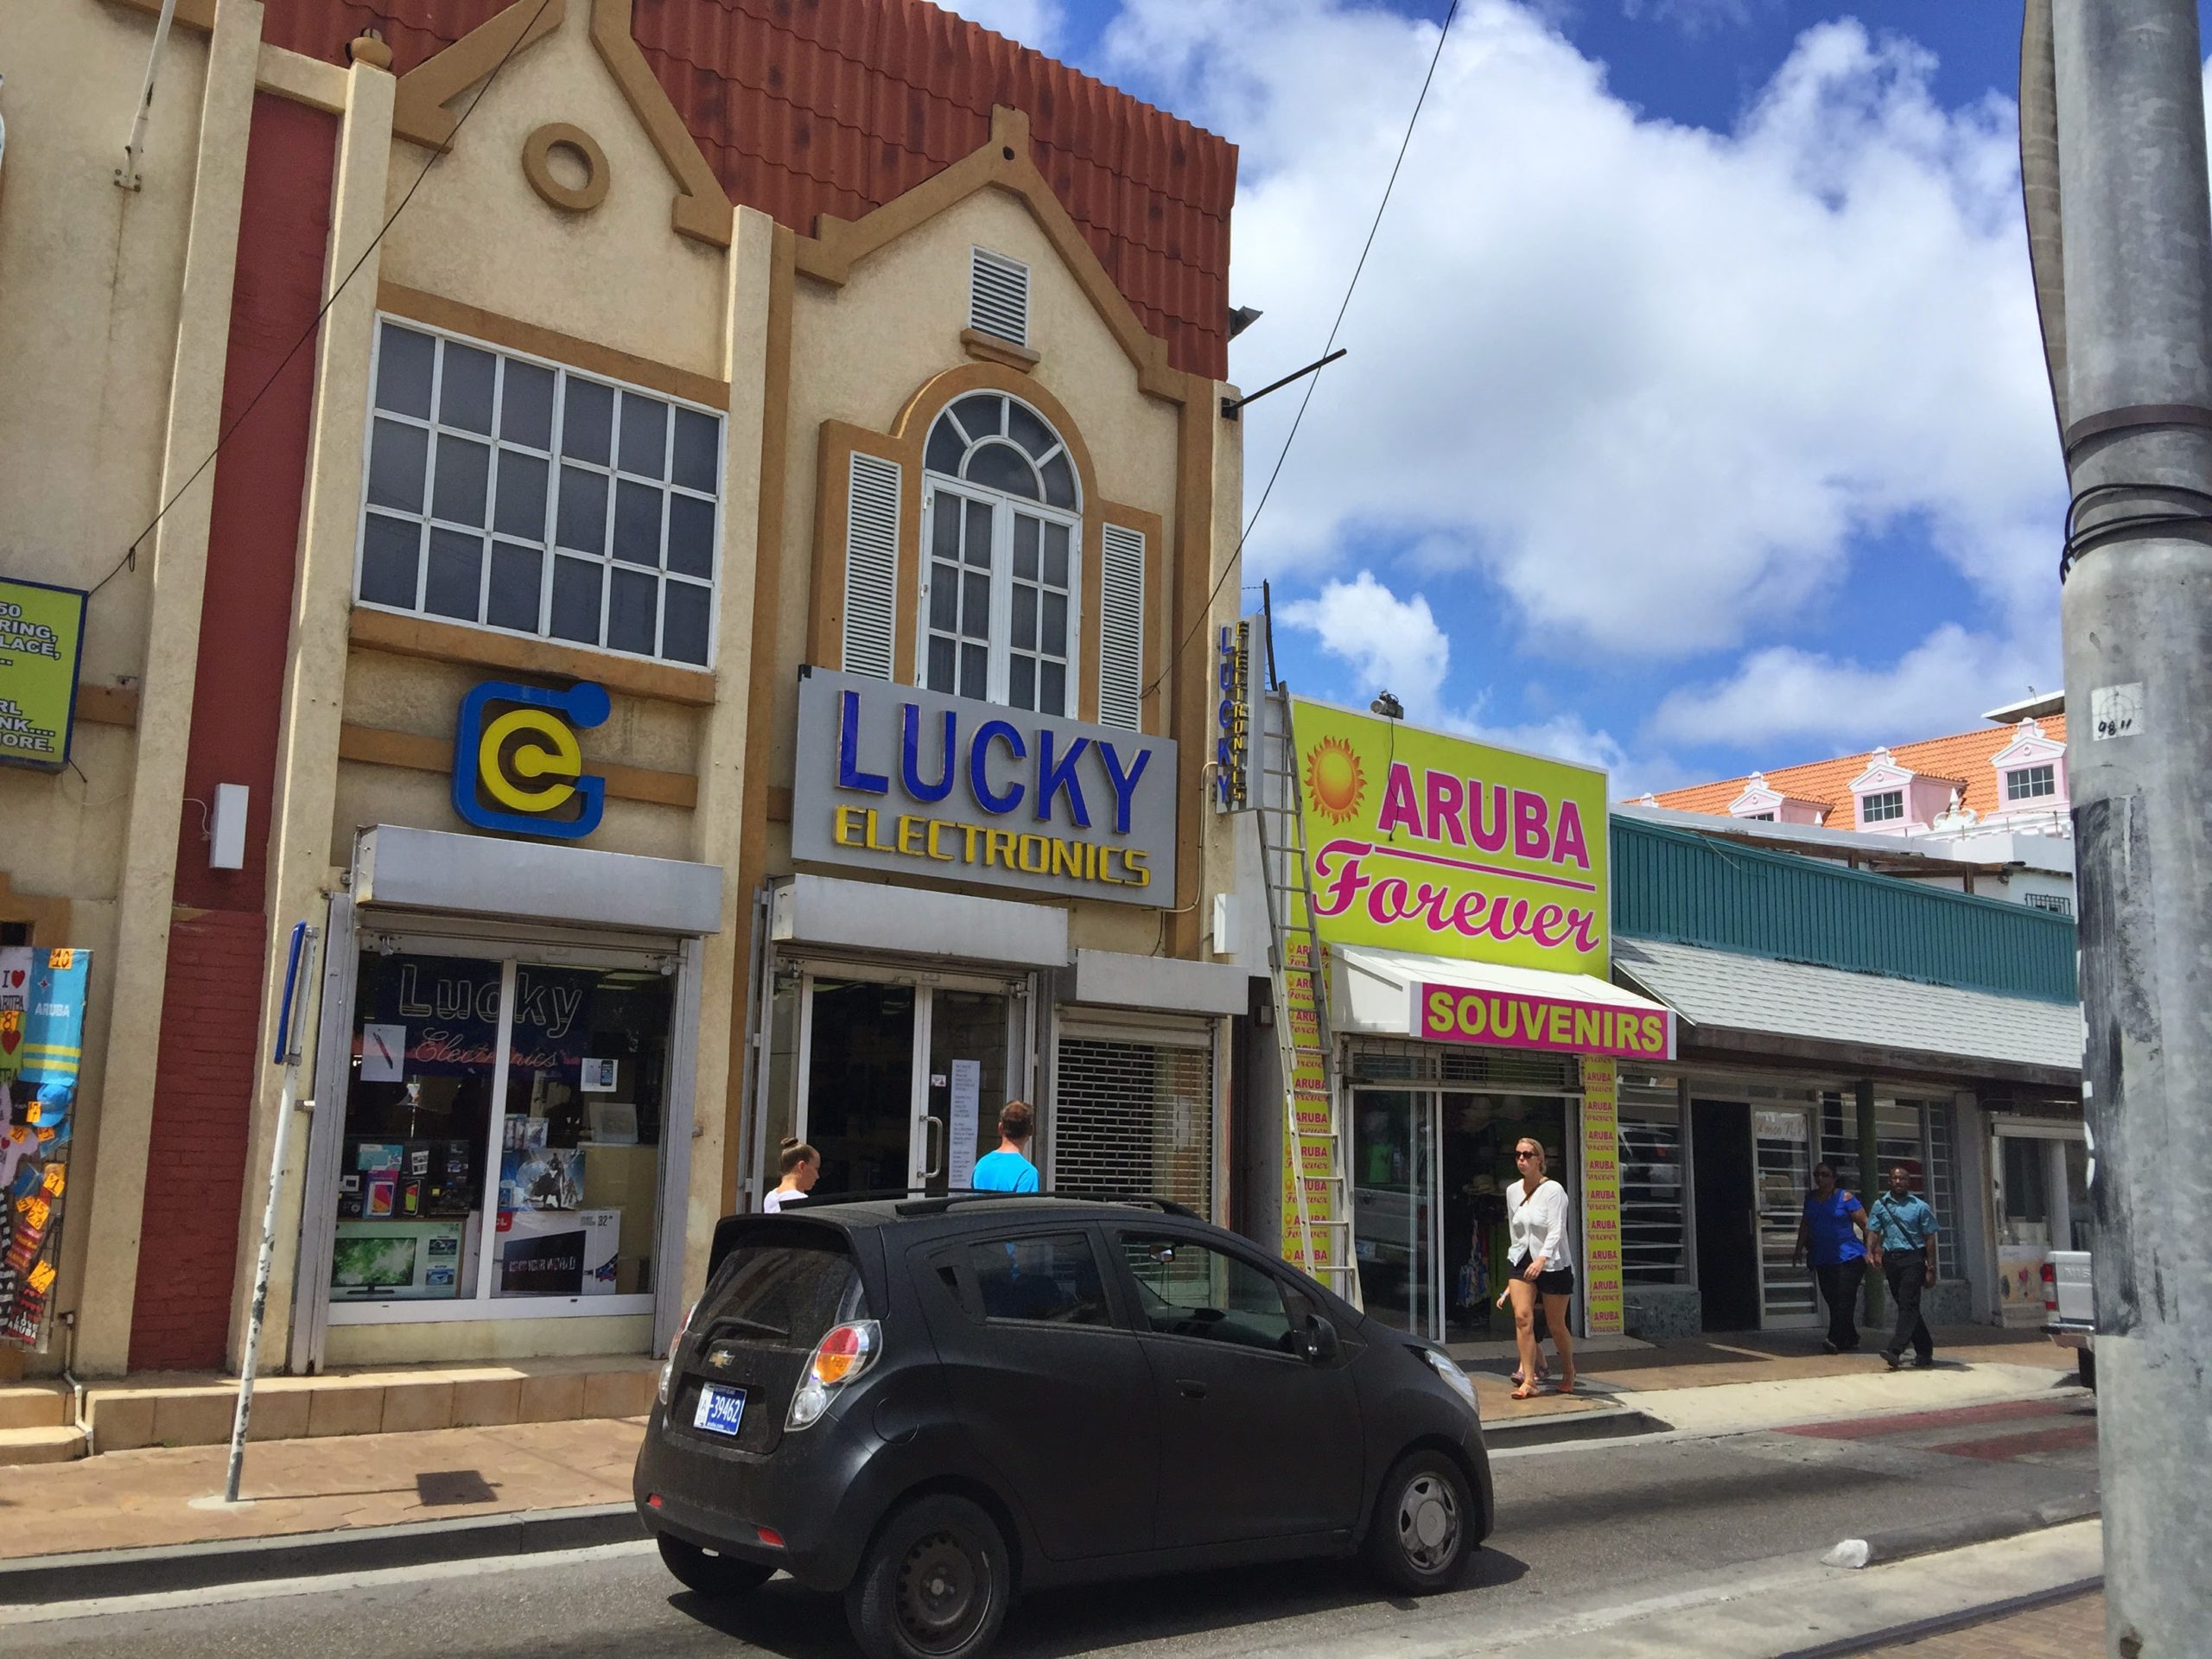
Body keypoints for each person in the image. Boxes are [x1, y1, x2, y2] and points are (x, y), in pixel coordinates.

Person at [1503, 1136, 1575, 1398]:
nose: (1521, 1159)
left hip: (1553, 1262)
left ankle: (1568, 1371)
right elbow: (1516, 1231)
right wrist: (1512, 1278)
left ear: (1539, 1160)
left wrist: (1542, 1259)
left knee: (1556, 1324)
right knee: (1523, 1318)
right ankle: (1530, 1379)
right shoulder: (1512, 1191)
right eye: (1518, 1154)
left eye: (1527, 1154)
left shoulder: (1554, 1190)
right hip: (1521, 1258)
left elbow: (1557, 1229)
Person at [1867, 1164, 1940, 1370]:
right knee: (1906, 1306)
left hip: (1913, 1259)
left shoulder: (1920, 1206)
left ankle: (1895, 1350)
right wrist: (1870, 1251)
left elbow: (1929, 1238)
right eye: (1895, 1178)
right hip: (1892, 1259)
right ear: (1889, 1181)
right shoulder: (1880, 1205)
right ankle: (1925, 1349)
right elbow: (1873, 1230)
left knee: (1908, 1303)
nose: (1899, 1182)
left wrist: (1931, 1267)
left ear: (1909, 1182)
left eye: (1903, 1179)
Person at [1792, 1161, 1870, 1354]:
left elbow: (1866, 1225)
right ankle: (1850, 1336)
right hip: (1823, 1257)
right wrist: (1798, 1248)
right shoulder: (1810, 1200)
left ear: (1834, 1178)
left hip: (1849, 1256)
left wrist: (1871, 1250)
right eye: (1817, 1174)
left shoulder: (1846, 1198)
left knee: (1844, 1296)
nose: (1820, 1178)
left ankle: (1834, 1338)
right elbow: (1806, 1224)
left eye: (1825, 1174)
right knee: (1833, 1299)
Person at [969, 1100, 1040, 1193]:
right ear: (1031, 1130)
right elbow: (1026, 1207)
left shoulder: (981, 1165)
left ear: (1000, 1128)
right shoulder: (1027, 1173)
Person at [760, 1137, 819, 1211]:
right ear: (802, 1166)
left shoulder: (770, 1196)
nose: (817, 1176)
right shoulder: (799, 1201)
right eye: (816, 1169)